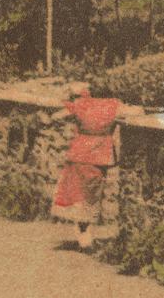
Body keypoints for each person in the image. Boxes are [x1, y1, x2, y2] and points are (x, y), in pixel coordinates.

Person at [51, 82, 120, 250]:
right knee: (92, 195)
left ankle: (84, 235)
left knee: (77, 193)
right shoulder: (113, 106)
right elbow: (138, 112)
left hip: (79, 152)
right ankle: (86, 236)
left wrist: (73, 99)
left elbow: (56, 116)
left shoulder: (81, 105)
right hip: (100, 155)